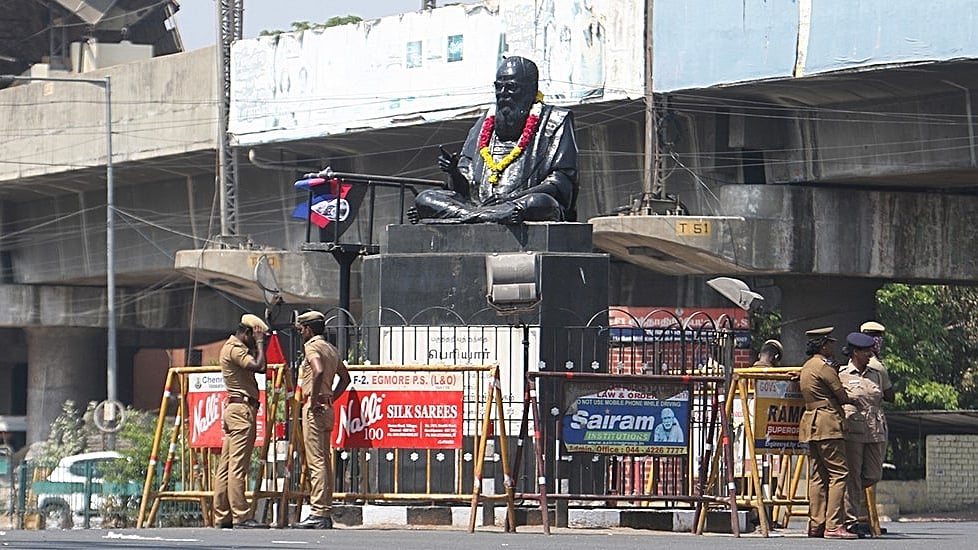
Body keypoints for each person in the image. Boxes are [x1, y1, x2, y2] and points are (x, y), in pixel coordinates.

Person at [409, 56, 579, 224]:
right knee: (425, 198)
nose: (503, 93)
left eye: (511, 87)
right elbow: (464, 189)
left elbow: (560, 182)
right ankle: (482, 217)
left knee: (540, 202)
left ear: (531, 89)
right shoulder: (484, 123)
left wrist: (510, 199)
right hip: (480, 206)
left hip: (518, 204)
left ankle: (467, 217)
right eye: (499, 87)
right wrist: (454, 172)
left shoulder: (556, 120)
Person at [292, 310, 351, 529]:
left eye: (301, 330)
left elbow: (317, 371)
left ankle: (318, 511)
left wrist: (315, 399)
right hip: (328, 407)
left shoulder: (312, 347)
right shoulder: (331, 348)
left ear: (308, 329)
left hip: (314, 407)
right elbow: (345, 378)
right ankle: (324, 511)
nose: (301, 334)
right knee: (324, 461)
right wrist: (330, 398)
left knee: (316, 461)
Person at [797, 326, 856, 539]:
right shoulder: (824, 367)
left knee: (818, 475)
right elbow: (841, 395)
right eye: (830, 342)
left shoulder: (807, 366)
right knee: (839, 474)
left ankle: (816, 524)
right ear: (823, 345)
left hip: (811, 423)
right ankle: (834, 525)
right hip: (828, 423)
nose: (833, 346)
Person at [213, 313, 269, 529]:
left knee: (226, 466)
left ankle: (222, 514)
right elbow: (259, 366)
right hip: (241, 412)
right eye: (254, 336)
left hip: (235, 410)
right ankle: (241, 515)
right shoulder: (235, 349)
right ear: (246, 332)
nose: (255, 341)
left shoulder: (231, 347)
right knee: (237, 466)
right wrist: (261, 343)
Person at [840, 331, 895, 537]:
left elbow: (888, 396)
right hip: (853, 429)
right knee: (853, 476)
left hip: (874, 429)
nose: (869, 355)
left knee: (873, 474)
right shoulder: (842, 373)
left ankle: (844, 497)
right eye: (865, 352)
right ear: (855, 352)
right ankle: (850, 520)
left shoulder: (876, 373)